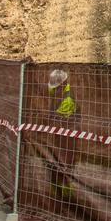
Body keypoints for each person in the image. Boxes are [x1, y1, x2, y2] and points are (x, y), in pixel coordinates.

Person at [45, 68, 78, 200]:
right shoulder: (59, 89)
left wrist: (48, 122)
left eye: (57, 87)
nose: (54, 90)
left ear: (62, 84)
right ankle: (57, 187)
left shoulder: (68, 98)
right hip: (59, 132)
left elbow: (58, 119)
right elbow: (51, 90)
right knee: (57, 158)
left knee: (66, 160)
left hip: (68, 132)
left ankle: (67, 190)